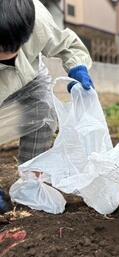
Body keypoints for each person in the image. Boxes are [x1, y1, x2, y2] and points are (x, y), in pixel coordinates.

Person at [0, 0, 93, 213]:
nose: (11, 55)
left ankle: (30, 181)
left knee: (44, 111)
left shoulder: (37, 20)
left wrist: (77, 66)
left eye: (15, 46)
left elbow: (67, 44)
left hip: (30, 76)